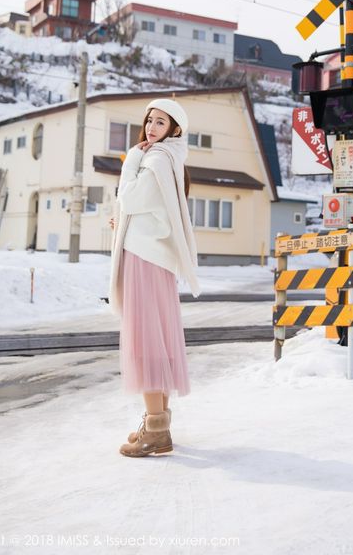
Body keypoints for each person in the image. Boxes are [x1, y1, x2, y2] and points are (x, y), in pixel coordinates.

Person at [109, 98, 200, 457]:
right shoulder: (169, 159)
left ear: (175, 129)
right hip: (153, 257)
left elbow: (129, 199)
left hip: (145, 259)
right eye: (149, 120)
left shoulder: (155, 159)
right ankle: (156, 423)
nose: (151, 127)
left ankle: (156, 429)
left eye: (160, 122)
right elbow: (147, 210)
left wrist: (132, 157)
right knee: (156, 339)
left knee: (145, 340)